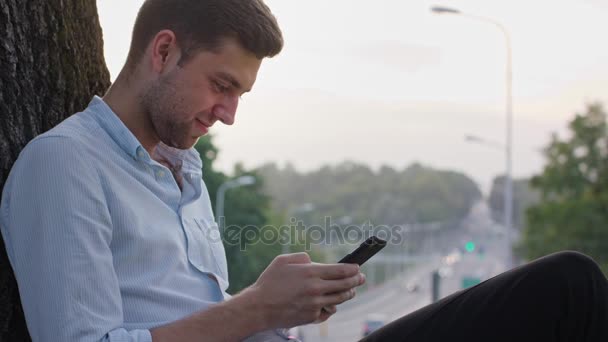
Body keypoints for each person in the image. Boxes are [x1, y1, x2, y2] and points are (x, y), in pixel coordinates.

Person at [0, 1, 606, 342]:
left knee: (561, 288)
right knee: (569, 288)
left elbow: (182, 314)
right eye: (222, 85)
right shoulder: (65, 163)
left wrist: (280, 305)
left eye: (240, 94)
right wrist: (257, 308)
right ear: (163, 52)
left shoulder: (181, 170)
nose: (229, 114)